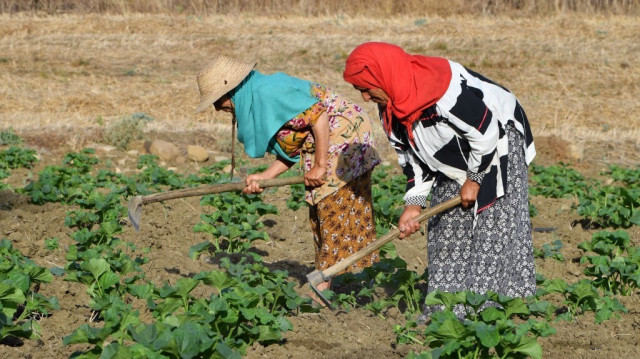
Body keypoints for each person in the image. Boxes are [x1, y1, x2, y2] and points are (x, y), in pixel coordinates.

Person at [343, 42, 537, 318]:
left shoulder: (443, 90)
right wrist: (414, 203)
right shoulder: (390, 105)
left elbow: (486, 132)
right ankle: (443, 311)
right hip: (451, 151)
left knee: (490, 226)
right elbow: (411, 157)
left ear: (383, 77)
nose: (364, 97)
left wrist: (474, 178)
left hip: (496, 139)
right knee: (446, 228)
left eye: (367, 88)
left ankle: (485, 313)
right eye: (359, 90)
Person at [195, 55, 382, 301]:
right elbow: (295, 144)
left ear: (232, 88)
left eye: (218, 100)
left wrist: (320, 165)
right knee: (320, 208)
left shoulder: (266, 92)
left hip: (344, 132)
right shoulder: (256, 97)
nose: (218, 108)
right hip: (324, 139)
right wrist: (265, 176)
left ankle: (321, 288)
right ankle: (325, 277)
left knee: (331, 205)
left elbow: (318, 116)